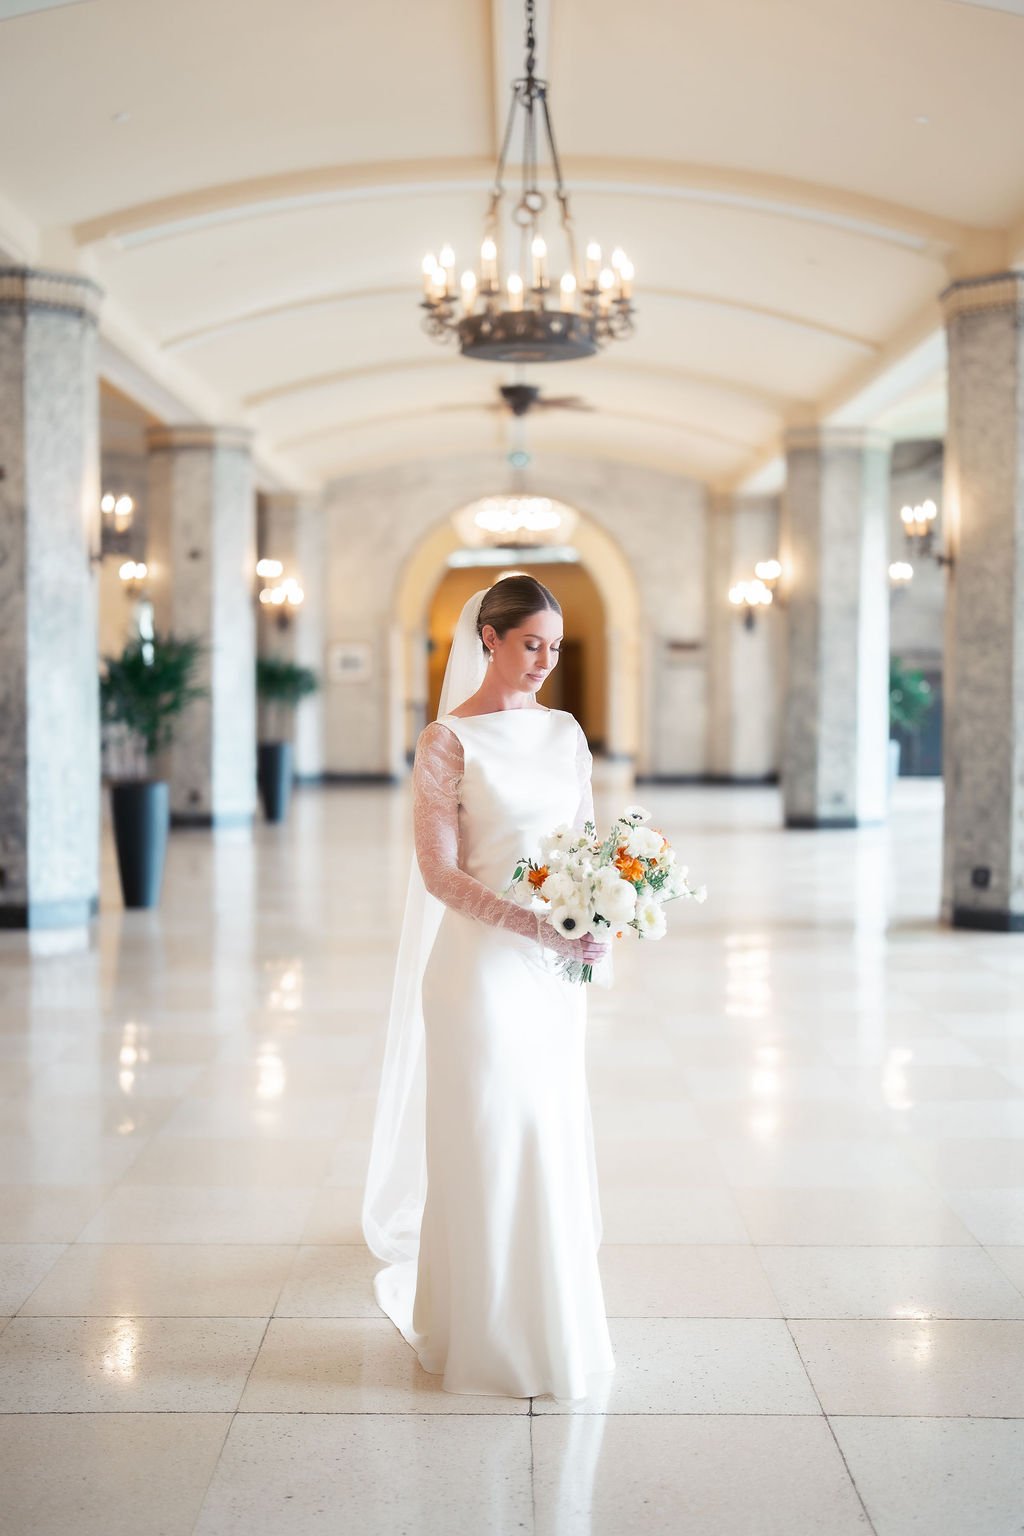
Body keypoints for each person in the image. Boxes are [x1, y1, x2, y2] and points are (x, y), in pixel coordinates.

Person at [361, 573, 616, 1403]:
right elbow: (437, 872)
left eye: (555, 646)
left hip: (553, 971)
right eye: (530, 643)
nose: (544, 660)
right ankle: (482, 1327)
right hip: (478, 971)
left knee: (545, 1132)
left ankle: (551, 1321)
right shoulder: (446, 741)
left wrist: (598, 916)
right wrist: (530, 923)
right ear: (490, 641)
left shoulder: (567, 733)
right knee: (490, 1138)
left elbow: (585, 845)